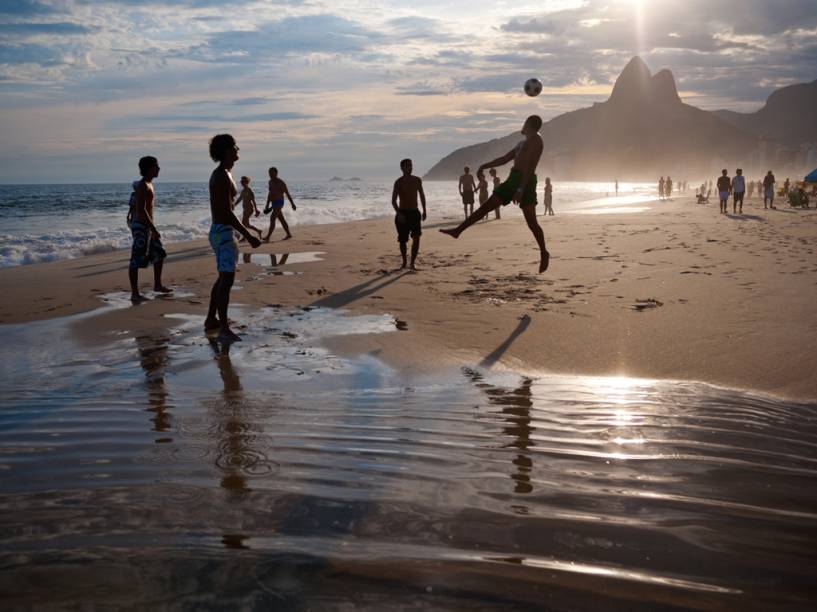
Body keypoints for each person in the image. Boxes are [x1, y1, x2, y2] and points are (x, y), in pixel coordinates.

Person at [440, 115, 549, 273]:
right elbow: (505, 159)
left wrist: (520, 189)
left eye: (525, 122)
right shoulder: (522, 143)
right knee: (486, 207)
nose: (522, 125)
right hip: (513, 178)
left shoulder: (536, 141)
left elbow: (530, 166)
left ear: (530, 125)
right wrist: (484, 165)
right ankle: (458, 230)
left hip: (525, 181)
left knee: (532, 222)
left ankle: (544, 252)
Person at [204, 134, 262, 341]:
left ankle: (212, 319)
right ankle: (224, 328)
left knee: (223, 277)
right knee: (226, 280)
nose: (238, 150)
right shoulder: (220, 176)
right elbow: (226, 212)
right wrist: (249, 235)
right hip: (223, 232)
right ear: (227, 150)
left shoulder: (226, 174)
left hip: (222, 231)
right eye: (235, 147)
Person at [128, 156, 171, 303]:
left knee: (159, 253)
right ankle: (135, 293)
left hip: (147, 226)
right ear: (150, 168)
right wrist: (154, 229)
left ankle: (157, 285)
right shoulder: (142, 186)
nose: (159, 169)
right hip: (141, 227)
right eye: (156, 166)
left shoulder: (148, 184)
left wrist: (152, 228)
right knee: (136, 259)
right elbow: (141, 210)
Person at [391, 158, 427, 271]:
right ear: (402, 168)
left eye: (410, 165)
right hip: (402, 214)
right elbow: (393, 201)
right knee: (402, 240)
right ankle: (404, 262)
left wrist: (425, 210)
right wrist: (399, 214)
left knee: (417, 238)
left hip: (415, 212)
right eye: (407, 166)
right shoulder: (398, 182)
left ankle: (412, 263)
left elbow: (422, 195)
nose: (409, 168)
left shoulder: (417, 180)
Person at [263, 167, 296, 242]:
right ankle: (288, 234)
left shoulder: (281, 183)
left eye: (272, 173)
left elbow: (287, 194)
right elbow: (270, 193)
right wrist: (267, 204)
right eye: (269, 173)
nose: (270, 175)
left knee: (272, 218)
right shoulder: (270, 182)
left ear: (276, 173)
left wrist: (292, 204)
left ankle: (268, 237)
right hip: (273, 203)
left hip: (279, 202)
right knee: (281, 219)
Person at [234, 176, 263, 241]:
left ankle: (245, 237)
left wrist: (256, 210)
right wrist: (234, 205)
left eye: (243, 182)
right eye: (241, 182)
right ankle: (258, 231)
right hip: (245, 209)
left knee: (243, 223)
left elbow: (253, 201)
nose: (241, 183)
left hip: (249, 209)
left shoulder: (249, 190)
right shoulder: (243, 191)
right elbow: (239, 199)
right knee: (247, 224)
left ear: (246, 182)